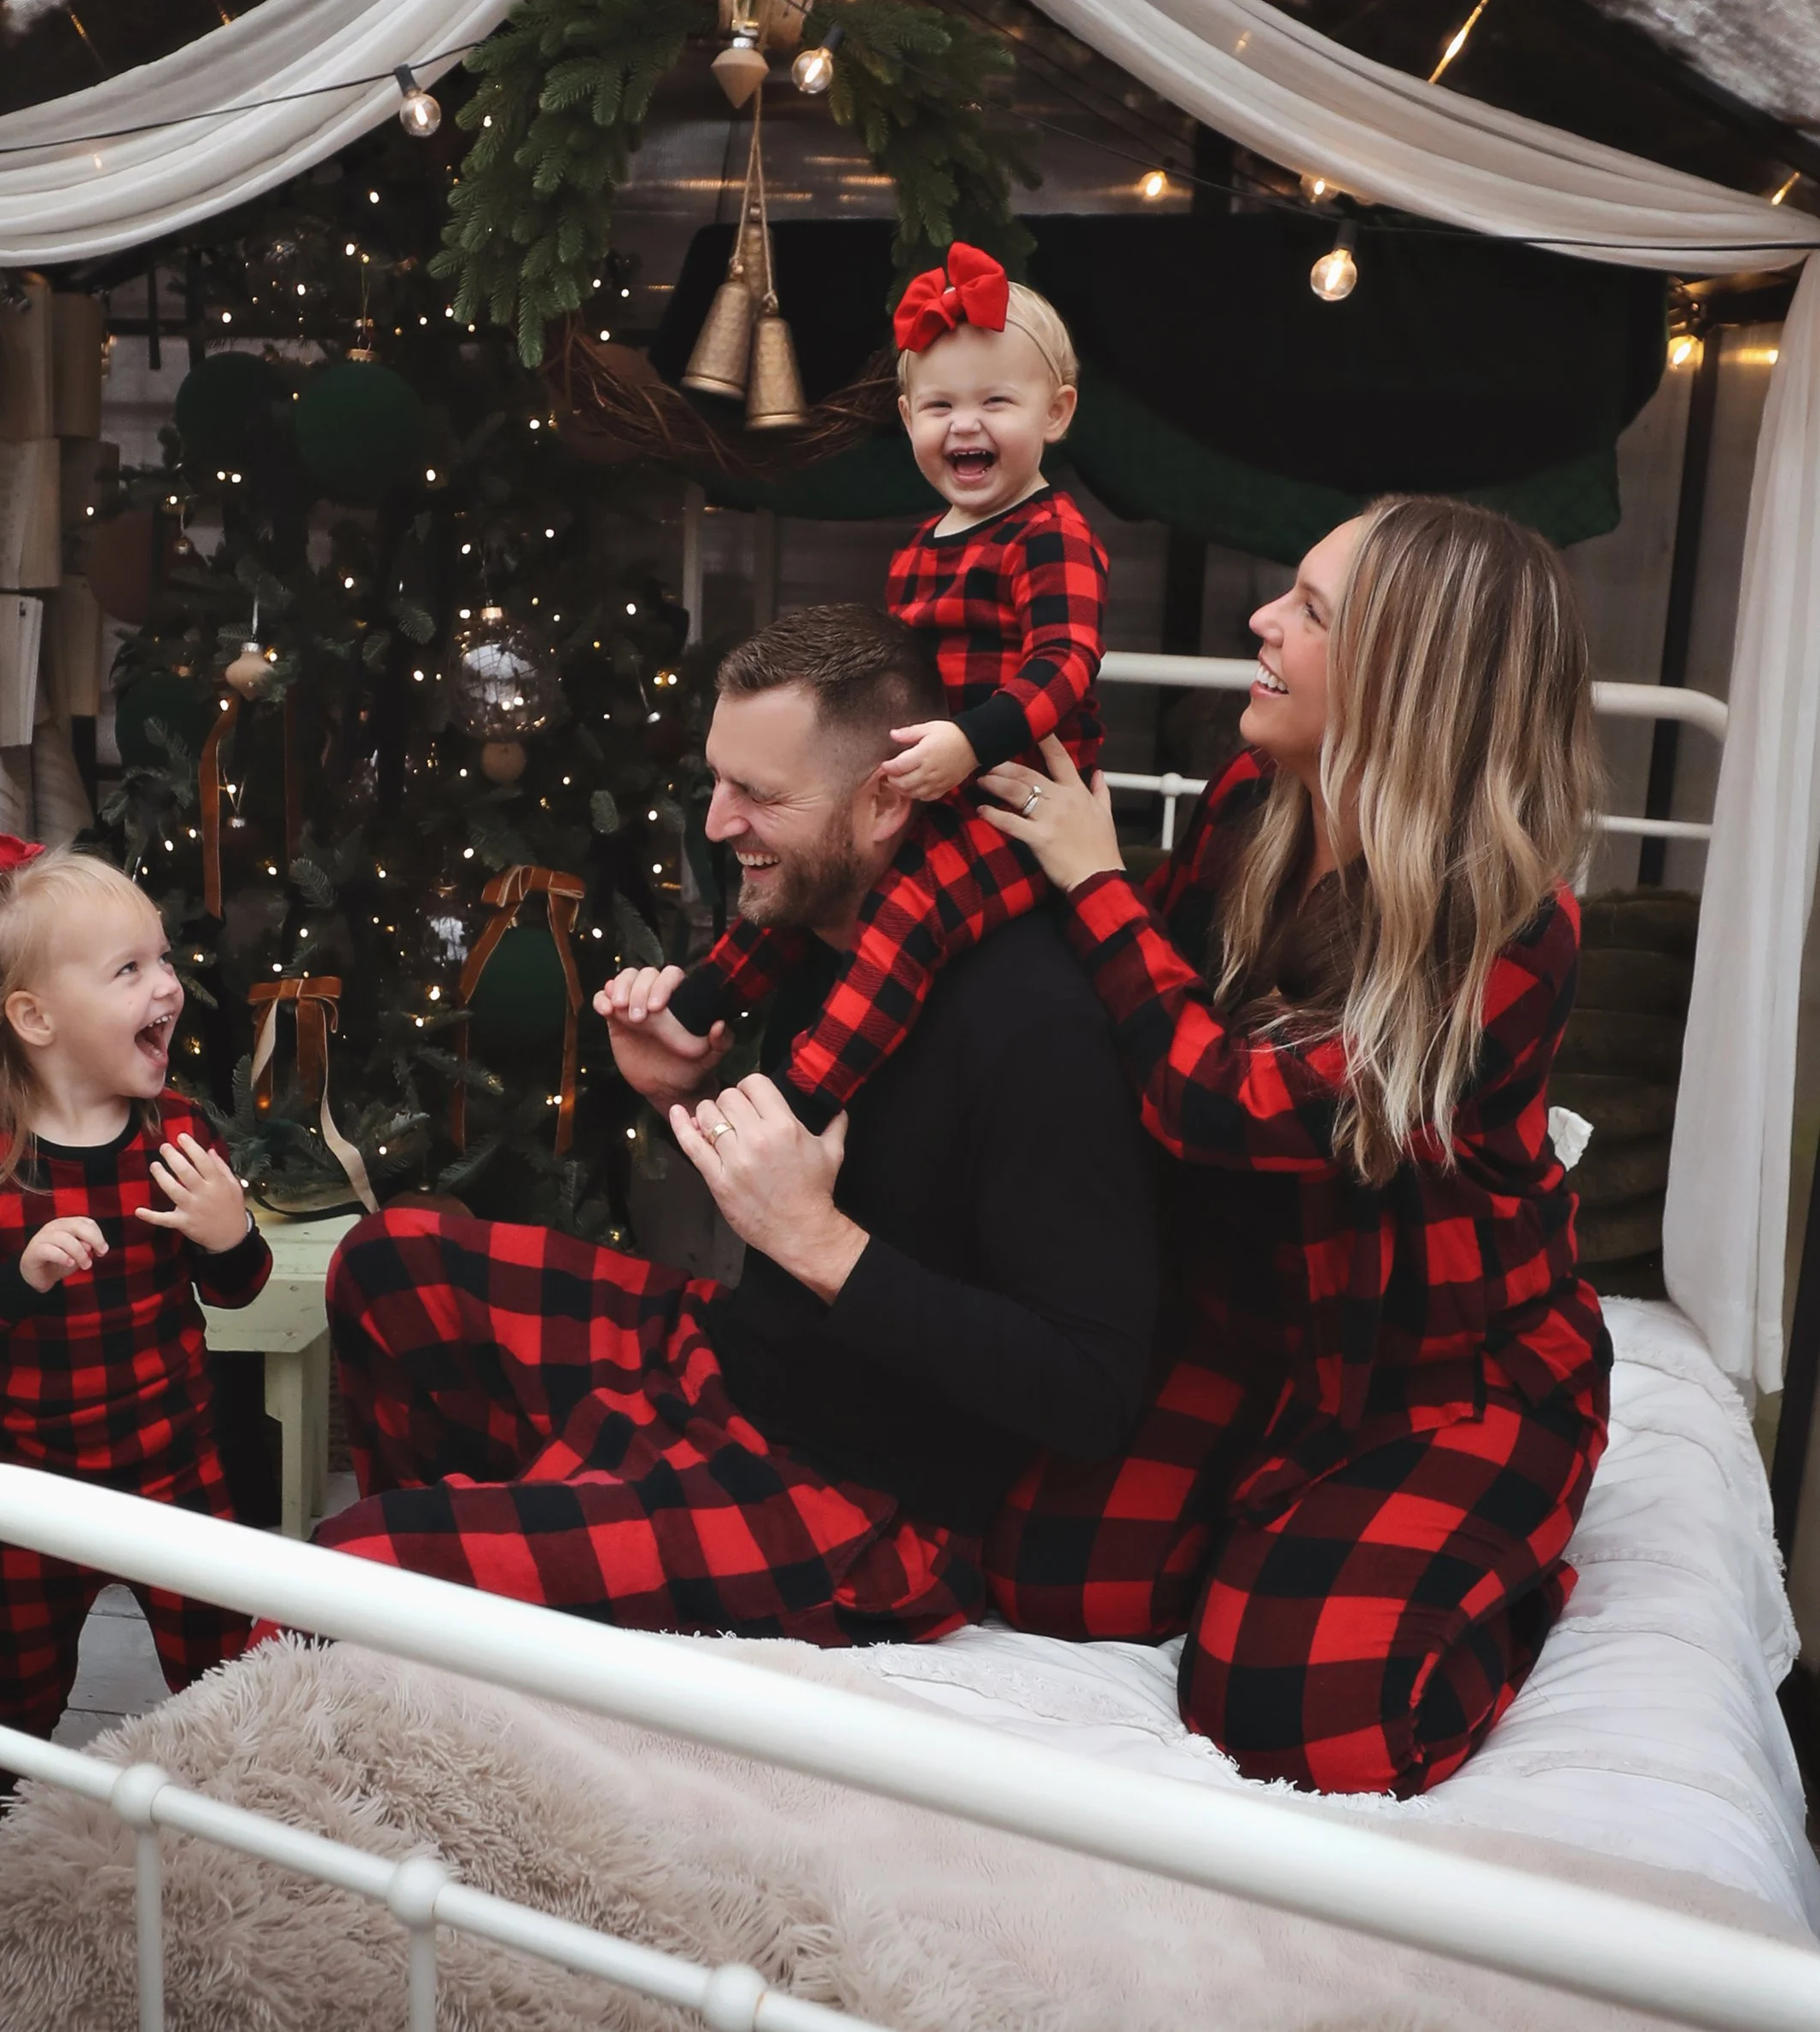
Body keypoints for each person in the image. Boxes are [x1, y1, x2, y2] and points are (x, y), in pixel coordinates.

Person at [316, 605, 1156, 1639]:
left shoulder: (1035, 1022)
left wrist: (820, 1244)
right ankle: (499, 1610)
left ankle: (466, 1582)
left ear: (887, 799)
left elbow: (1089, 1390)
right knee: (390, 1262)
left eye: (757, 794)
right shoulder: (819, 934)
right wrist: (674, 1094)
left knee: (353, 1570)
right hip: (732, 1364)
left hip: (861, 1499)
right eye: (717, 781)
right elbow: (797, 1179)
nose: (716, 823)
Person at [976, 494, 1610, 1799]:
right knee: (1043, 1570)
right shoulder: (1250, 806)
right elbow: (1121, 1016)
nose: (1261, 623)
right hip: (1258, 1339)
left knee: (1290, 1714)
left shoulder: (1511, 927)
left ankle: (1511, 1572)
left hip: (1445, 1374)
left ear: (1406, 676)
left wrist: (1098, 880)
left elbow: (1228, 1102)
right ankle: (1274, 1521)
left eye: (1311, 611)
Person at [666, 243, 1112, 1127]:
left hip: (1013, 802)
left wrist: (969, 740)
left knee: (905, 916)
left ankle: (801, 1102)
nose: (964, 426)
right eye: (939, 405)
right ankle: (694, 1007)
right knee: (812, 880)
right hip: (926, 782)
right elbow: (888, 683)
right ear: (906, 416)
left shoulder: (1047, 533)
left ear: (1055, 414)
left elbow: (1065, 663)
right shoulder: (918, 546)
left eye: (996, 402)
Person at [0, 834, 270, 1838]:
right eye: (130, 969)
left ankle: (236, 1844)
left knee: (224, 1675)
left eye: (165, 960)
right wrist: (18, 1279)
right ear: (36, 1017)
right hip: (28, 1493)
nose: (169, 986)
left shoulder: (176, 1134)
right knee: (15, 1694)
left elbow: (236, 1290)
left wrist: (232, 1236)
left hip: (175, 1472)